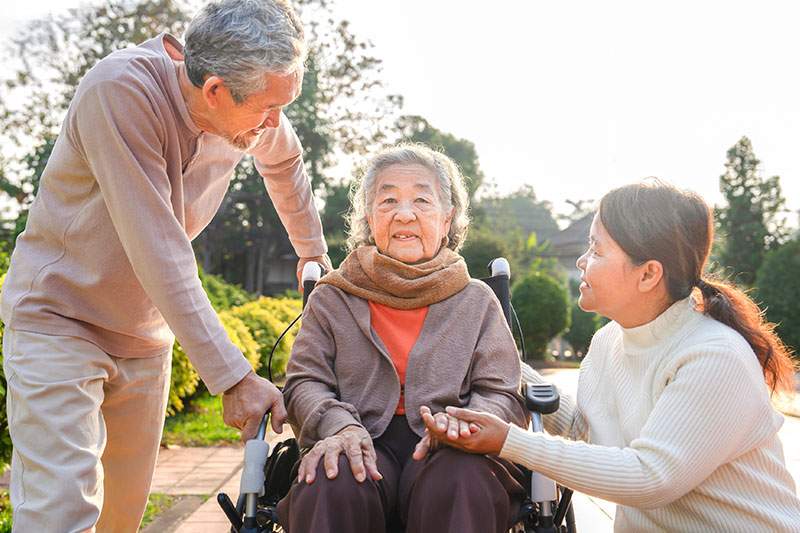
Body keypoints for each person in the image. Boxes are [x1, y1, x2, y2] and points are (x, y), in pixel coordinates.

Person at [0, 1, 331, 530]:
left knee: (119, 518)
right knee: (62, 510)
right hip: (59, 319)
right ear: (216, 90)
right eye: (267, 109)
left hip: (145, 335)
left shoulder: (249, 112)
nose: (275, 123)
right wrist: (233, 378)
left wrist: (312, 249)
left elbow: (285, 161)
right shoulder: (121, 92)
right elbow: (159, 249)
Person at [421, 179, 800, 531]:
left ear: (648, 274)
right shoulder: (609, 342)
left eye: (596, 249)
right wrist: (491, 357)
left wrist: (508, 440)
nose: (582, 261)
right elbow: (587, 435)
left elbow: (649, 476)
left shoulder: (714, 356)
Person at [276, 144, 528, 533]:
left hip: (450, 446)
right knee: (331, 477)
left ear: (447, 221)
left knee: (462, 480)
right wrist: (338, 426)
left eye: (422, 201)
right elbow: (305, 382)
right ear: (370, 218)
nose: (404, 213)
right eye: (388, 199)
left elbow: (501, 390)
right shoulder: (332, 296)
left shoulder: (477, 300)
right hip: (353, 433)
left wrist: (465, 427)